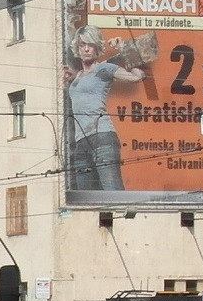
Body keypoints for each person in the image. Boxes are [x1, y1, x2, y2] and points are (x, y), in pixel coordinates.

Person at [63, 24, 147, 191]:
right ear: (77, 48)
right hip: (80, 143)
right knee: (85, 200)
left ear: (97, 48)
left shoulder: (105, 68)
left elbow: (137, 77)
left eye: (91, 45)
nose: (86, 49)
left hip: (102, 137)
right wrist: (71, 78)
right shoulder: (78, 76)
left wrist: (125, 51)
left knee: (113, 192)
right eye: (82, 45)